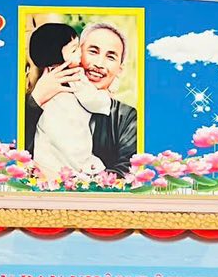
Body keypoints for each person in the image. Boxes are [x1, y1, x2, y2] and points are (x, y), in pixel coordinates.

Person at [24, 20, 139, 178]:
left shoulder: (125, 116)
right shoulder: (41, 95)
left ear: (120, 69)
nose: (99, 64)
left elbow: (129, 167)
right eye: (92, 51)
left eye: (111, 57)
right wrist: (35, 100)